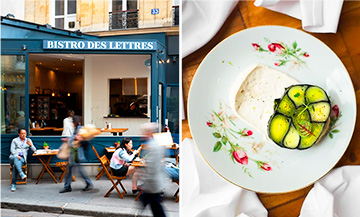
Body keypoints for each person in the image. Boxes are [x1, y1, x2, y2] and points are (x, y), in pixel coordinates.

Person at [59, 115, 93, 193]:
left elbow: (86, 140)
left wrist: (80, 139)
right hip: (74, 152)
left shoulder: (80, 129)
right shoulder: (76, 129)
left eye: (73, 122)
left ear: (75, 122)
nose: (72, 123)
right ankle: (68, 186)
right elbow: (74, 139)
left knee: (76, 170)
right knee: (71, 170)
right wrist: (68, 139)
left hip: (77, 153)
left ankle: (88, 183)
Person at [139, 123, 166, 217]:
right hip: (153, 184)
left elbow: (152, 168)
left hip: (153, 184)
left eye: (144, 132)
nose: (142, 134)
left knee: (157, 209)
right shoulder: (154, 145)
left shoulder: (153, 147)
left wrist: (145, 183)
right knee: (156, 208)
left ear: (149, 133)